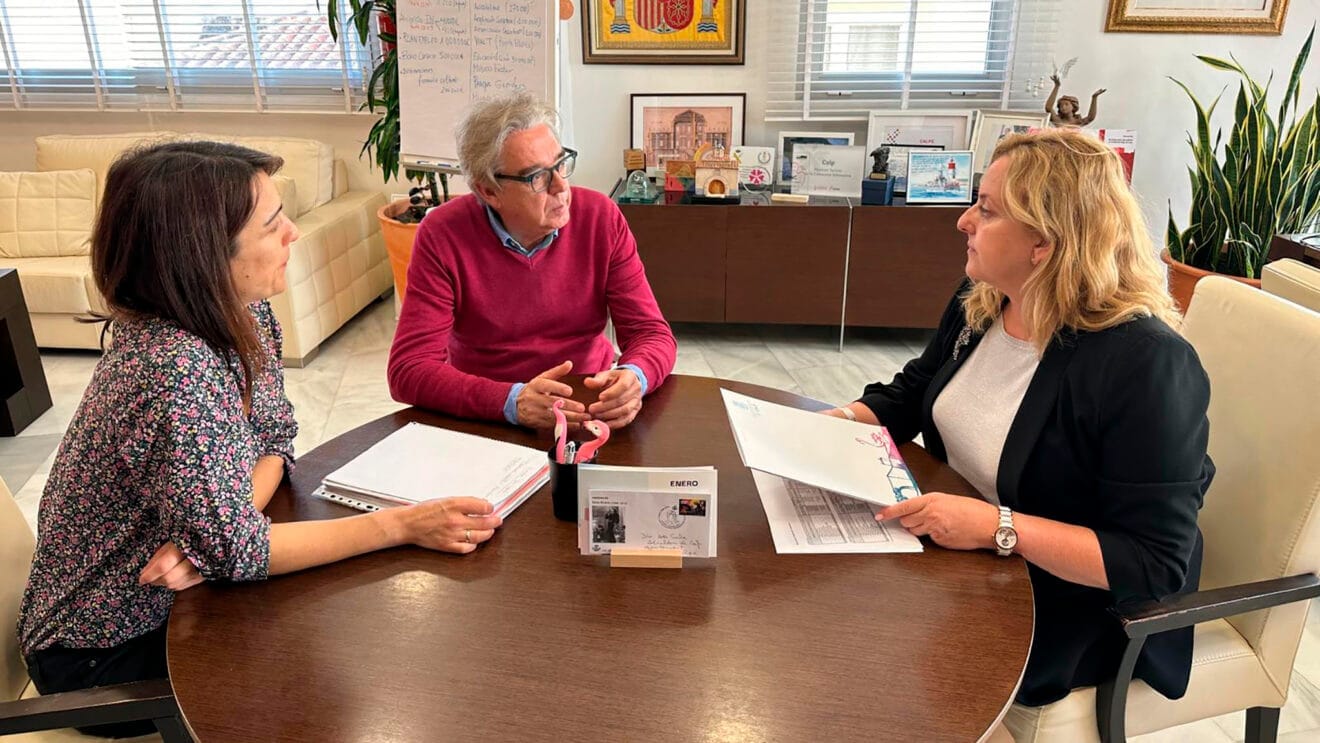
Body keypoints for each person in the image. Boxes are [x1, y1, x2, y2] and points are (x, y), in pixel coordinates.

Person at [16, 141, 503, 738]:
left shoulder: (242, 315)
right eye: (273, 225)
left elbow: (275, 439)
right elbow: (243, 554)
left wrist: (221, 530)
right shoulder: (171, 369)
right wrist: (400, 524)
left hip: (174, 601)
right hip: (104, 653)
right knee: (356, 661)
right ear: (203, 254)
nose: (293, 233)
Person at [824, 128, 1213, 732]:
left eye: (986, 209)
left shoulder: (1144, 363)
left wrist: (998, 528)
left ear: (1044, 241)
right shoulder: (984, 296)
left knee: (860, 666)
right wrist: (841, 420)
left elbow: (1153, 563)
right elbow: (914, 390)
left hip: (1068, 604)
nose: (963, 222)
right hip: (966, 559)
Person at [388, 92, 677, 431]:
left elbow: (651, 333)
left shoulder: (600, 217)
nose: (561, 187)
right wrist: (512, 401)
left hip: (586, 405)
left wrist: (635, 376)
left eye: (560, 164)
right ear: (489, 192)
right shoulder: (442, 234)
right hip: (488, 413)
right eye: (536, 176)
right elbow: (409, 369)